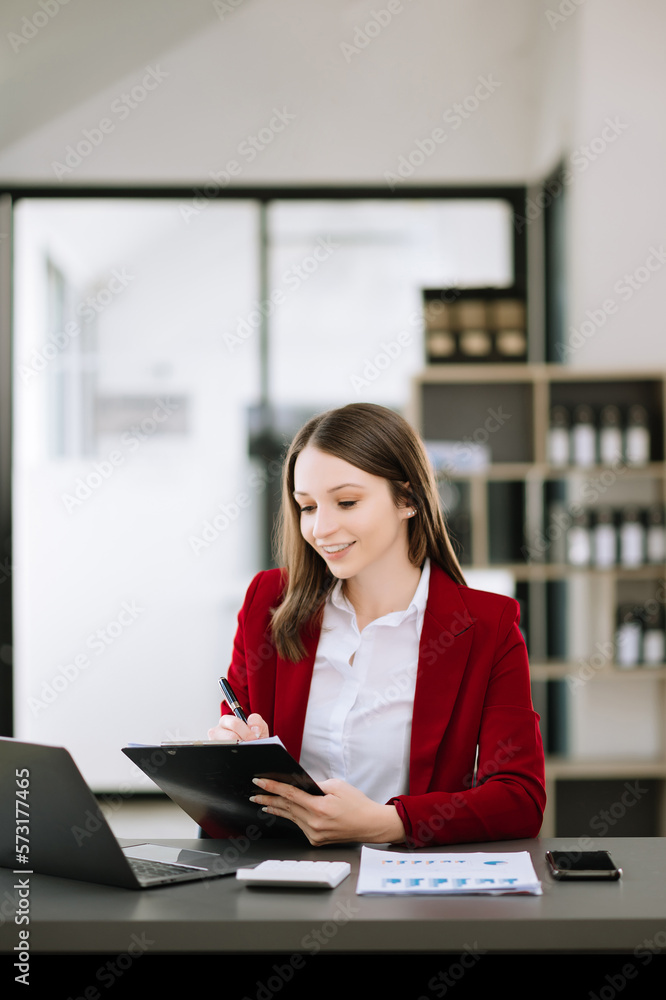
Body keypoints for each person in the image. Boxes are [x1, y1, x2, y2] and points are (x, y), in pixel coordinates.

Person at [208, 402, 546, 847]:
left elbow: (520, 798)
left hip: (413, 885)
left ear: (406, 499)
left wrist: (389, 823)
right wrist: (228, 755)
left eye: (346, 502)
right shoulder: (268, 604)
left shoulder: (488, 625)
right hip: (288, 877)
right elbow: (229, 800)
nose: (322, 528)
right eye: (307, 507)